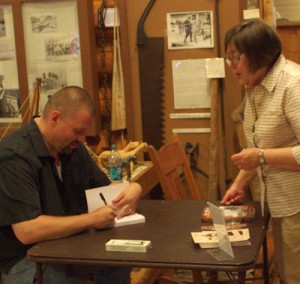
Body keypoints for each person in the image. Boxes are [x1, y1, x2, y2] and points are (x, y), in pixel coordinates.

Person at [0, 86, 142, 283]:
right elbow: (27, 231)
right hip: (22, 258)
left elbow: (106, 188)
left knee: (117, 262)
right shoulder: (15, 156)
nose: (82, 140)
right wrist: (91, 219)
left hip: (66, 245)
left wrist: (134, 189)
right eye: (78, 131)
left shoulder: (72, 148)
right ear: (55, 118)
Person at [221, 19, 300, 283]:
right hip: (278, 203)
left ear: (259, 54)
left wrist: (261, 156)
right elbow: (260, 146)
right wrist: (240, 184)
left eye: (236, 57)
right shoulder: (255, 86)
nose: (231, 64)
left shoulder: (292, 85)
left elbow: (261, 152)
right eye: (228, 57)